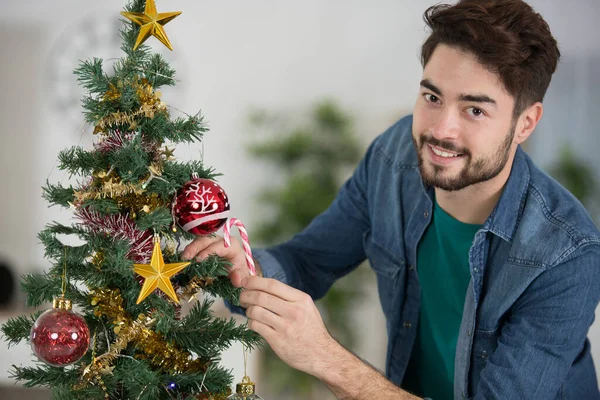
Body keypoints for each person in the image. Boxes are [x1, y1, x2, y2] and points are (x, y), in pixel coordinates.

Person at [183, 0, 600, 398]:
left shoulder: (567, 254)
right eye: (432, 97)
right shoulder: (394, 155)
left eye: (474, 110)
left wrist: (326, 358)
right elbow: (307, 261)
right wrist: (242, 268)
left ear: (525, 123)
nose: (441, 130)